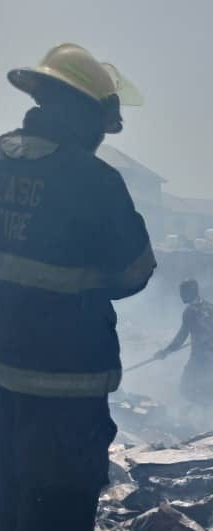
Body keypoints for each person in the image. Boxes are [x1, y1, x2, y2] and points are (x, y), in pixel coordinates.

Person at [0, 44, 155, 531]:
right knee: (56, 513)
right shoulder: (94, 180)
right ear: (86, 113)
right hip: (63, 402)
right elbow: (134, 273)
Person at [156, 278, 213, 417]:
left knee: (185, 389)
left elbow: (181, 337)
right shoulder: (210, 306)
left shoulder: (190, 311)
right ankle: (209, 422)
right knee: (208, 393)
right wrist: (209, 334)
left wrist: (165, 352)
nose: (181, 295)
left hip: (200, 360)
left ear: (191, 292)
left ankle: (205, 416)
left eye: (183, 292)